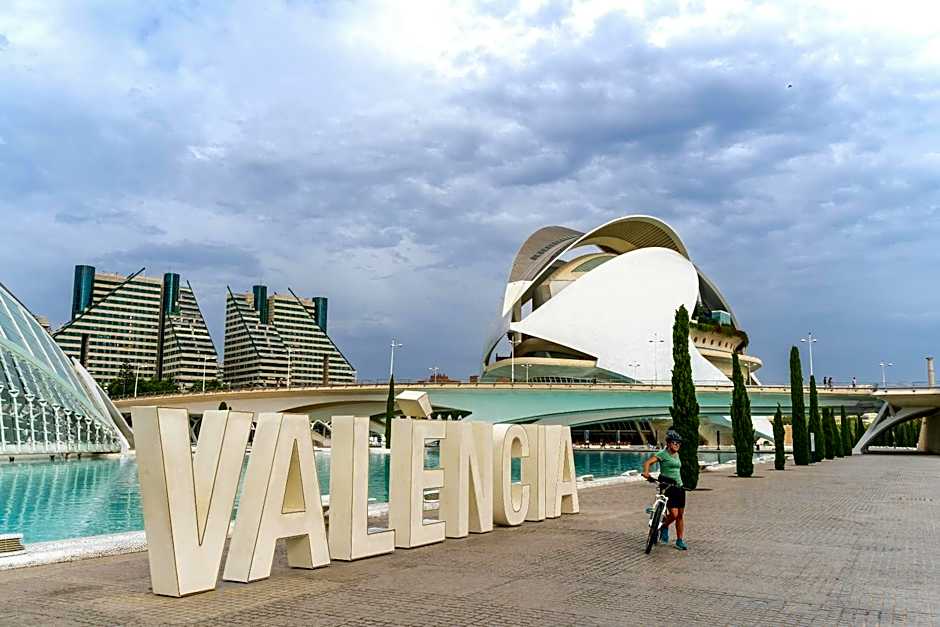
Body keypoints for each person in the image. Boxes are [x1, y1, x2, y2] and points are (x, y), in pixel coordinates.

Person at [642, 430, 688, 550]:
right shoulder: (663, 454)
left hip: (679, 487)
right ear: (668, 443)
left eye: (679, 443)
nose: (677, 445)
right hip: (667, 486)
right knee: (673, 513)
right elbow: (648, 462)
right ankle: (664, 526)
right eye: (674, 442)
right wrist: (646, 473)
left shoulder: (677, 454)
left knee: (680, 516)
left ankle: (679, 540)